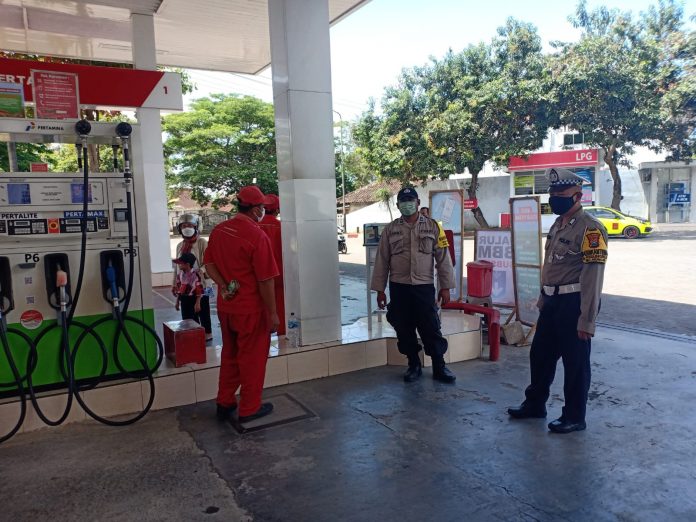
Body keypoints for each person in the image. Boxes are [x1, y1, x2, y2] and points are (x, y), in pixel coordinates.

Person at [508, 167, 608, 434]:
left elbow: (593, 277)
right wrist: (543, 298)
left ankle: (574, 416)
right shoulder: (558, 224)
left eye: (561, 194)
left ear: (578, 196)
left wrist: (587, 319)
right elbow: (551, 266)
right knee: (540, 355)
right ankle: (535, 404)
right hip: (552, 303)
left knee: (575, 363)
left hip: (574, 303)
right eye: (552, 194)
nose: (554, 199)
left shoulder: (591, 229)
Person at [204, 185, 280, 424]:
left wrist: (224, 286)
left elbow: (209, 264)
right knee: (252, 359)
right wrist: (273, 313)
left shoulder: (219, 230)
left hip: (227, 308)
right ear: (256, 209)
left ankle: (225, 401)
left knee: (230, 354)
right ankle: (249, 408)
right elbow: (265, 280)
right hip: (250, 310)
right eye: (261, 207)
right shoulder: (256, 235)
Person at [371, 187, 457, 383]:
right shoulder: (390, 229)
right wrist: (380, 290)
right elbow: (382, 261)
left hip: (423, 287)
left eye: (410, 200)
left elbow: (443, 258)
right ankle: (413, 364)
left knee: (431, 326)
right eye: (403, 201)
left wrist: (445, 287)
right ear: (398, 205)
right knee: (404, 328)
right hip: (399, 287)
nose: (407, 204)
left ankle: (439, 366)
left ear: (418, 203)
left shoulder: (434, 227)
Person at [172, 214, 213, 342]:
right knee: (187, 310)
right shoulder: (180, 245)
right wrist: (174, 283)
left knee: (203, 309)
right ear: (179, 229)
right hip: (185, 284)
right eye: (184, 226)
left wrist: (201, 271)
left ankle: (207, 333)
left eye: (190, 225)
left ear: (196, 227)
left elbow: (209, 261)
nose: (187, 228)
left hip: (202, 282)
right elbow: (177, 267)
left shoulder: (202, 242)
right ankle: (193, 332)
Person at [258, 194, 286, 336]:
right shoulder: (283, 228)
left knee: (262, 312)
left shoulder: (255, 227)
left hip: (260, 278)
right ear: (277, 210)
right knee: (281, 311)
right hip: (280, 277)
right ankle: (282, 338)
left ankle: (264, 341)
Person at [173, 252, 204, 321]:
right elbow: (179, 289)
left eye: (180, 263)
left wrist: (198, 303)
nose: (179, 265)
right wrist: (177, 302)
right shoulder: (179, 275)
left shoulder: (195, 275)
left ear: (187, 264)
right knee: (185, 319)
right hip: (183, 300)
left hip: (193, 300)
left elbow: (199, 290)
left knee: (194, 320)